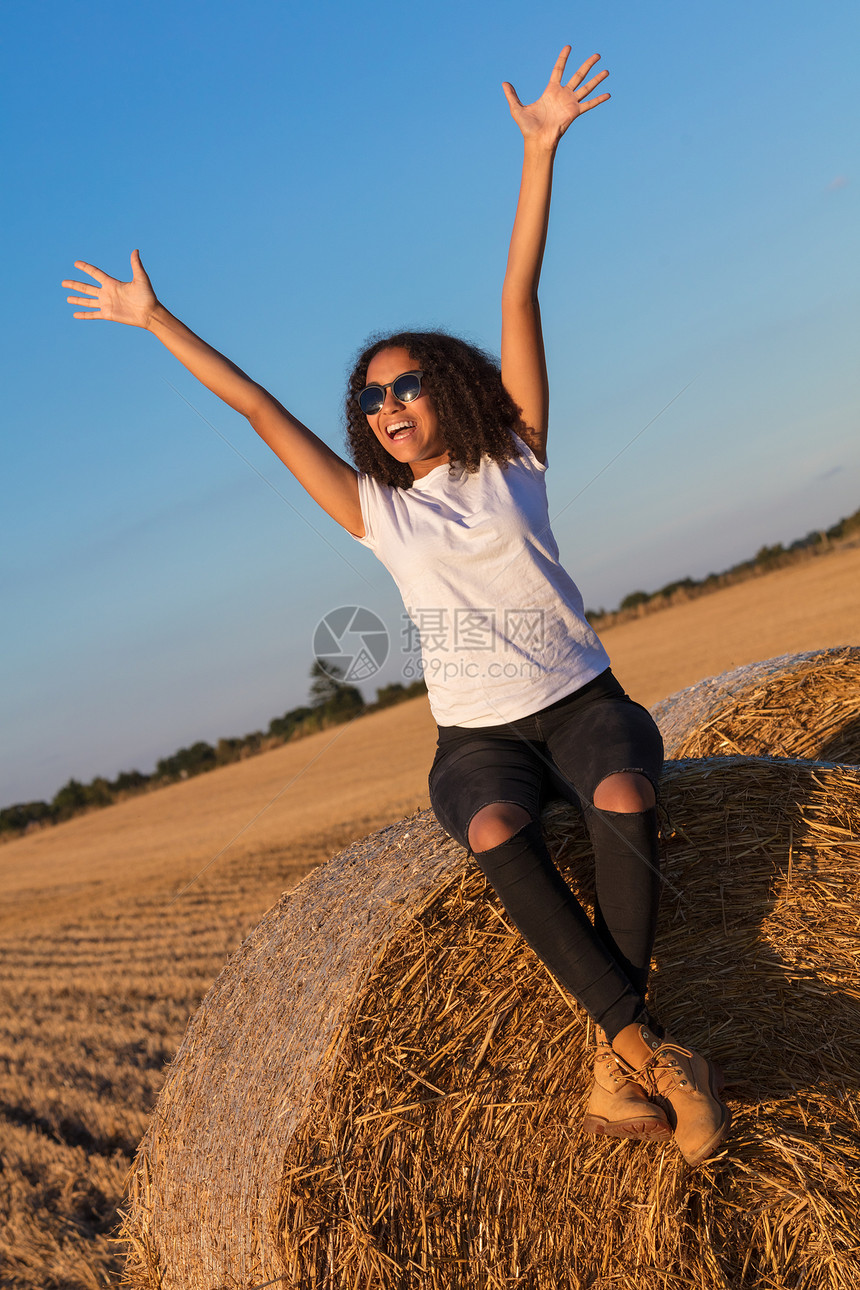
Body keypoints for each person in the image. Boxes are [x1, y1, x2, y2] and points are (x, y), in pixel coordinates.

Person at [63, 46, 729, 1166]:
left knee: (620, 785)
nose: (383, 407)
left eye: (403, 385)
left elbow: (516, 291)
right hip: (476, 738)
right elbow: (262, 412)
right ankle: (646, 1049)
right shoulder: (379, 513)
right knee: (489, 828)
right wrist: (156, 318)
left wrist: (538, 151)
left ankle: (617, 1063)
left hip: (580, 699)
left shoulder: (513, 450)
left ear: (450, 387)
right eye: (369, 399)